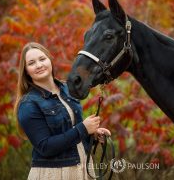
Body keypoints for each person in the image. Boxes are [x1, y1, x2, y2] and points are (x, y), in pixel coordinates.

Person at [14, 42, 111, 180]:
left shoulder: (67, 89)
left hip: (84, 168)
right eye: (31, 63)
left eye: (42, 59)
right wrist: (83, 129)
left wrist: (92, 135)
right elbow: (45, 147)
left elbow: (70, 130)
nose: (39, 65)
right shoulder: (28, 104)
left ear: (50, 60)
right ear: (26, 71)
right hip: (55, 174)